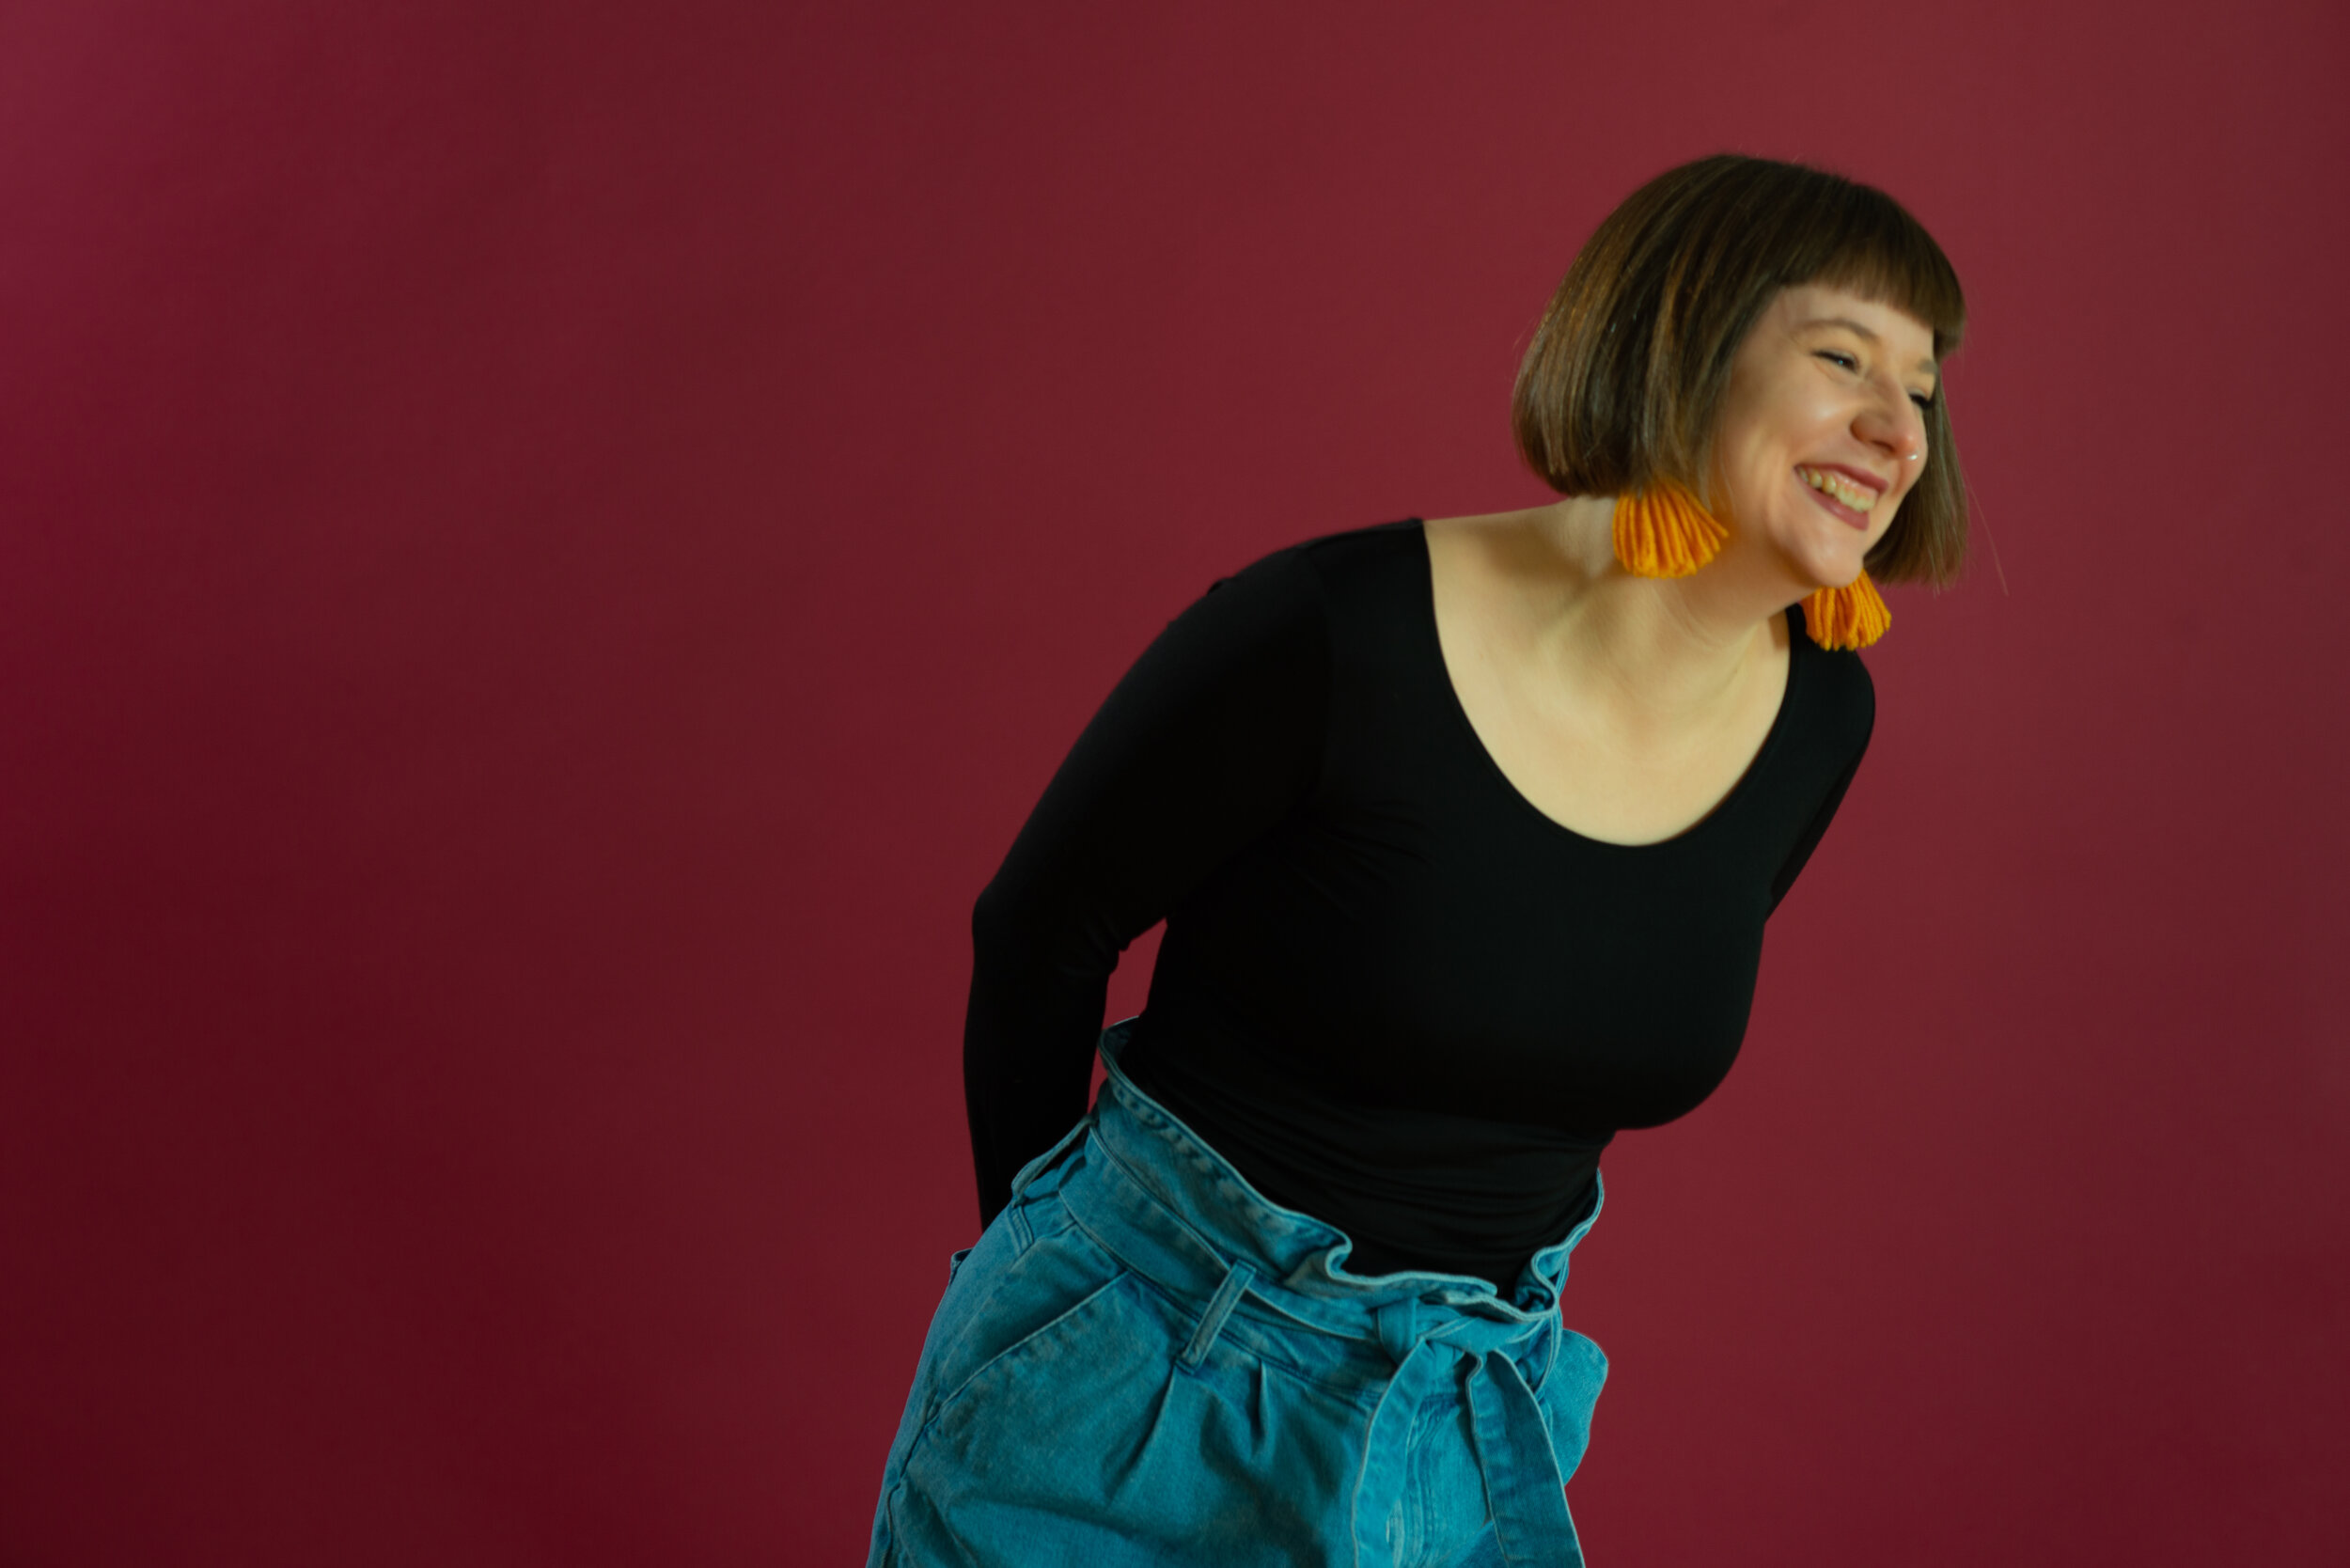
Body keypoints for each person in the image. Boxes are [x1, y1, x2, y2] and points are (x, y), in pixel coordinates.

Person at [868, 152, 1968, 1568]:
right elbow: (1035, 937)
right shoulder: (1333, 636)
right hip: (1126, 1399)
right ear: (1679, 338)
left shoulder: (1822, 717)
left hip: (1468, 1422)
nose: (1897, 427)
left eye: (1925, 391)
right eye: (1843, 356)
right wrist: (1073, 1305)